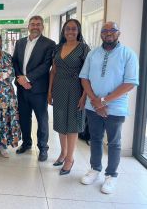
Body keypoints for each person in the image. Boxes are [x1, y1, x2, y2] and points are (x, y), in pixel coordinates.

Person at [79, 21, 139, 194]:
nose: (108, 33)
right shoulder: (93, 54)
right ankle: (95, 169)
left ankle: (111, 175)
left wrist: (103, 101)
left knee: (114, 143)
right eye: (105, 31)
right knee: (95, 139)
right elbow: (84, 78)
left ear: (118, 33)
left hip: (116, 107)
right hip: (93, 106)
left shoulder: (128, 54)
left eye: (112, 30)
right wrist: (95, 101)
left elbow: (130, 83)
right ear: (101, 34)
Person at [47, 19, 90, 175]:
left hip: (76, 89)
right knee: (60, 122)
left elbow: (88, 74)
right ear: (63, 31)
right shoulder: (58, 48)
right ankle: (63, 153)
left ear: (78, 31)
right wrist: (49, 91)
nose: (70, 31)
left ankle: (70, 159)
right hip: (59, 88)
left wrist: (84, 95)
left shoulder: (84, 48)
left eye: (74, 29)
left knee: (72, 124)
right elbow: (53, 71)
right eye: (67, 29)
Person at [12, 15, 55, 161]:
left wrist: (28, 78)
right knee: (24, 117)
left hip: (38, 89)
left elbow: (46, 65)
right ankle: (26, 143)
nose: (35, 26)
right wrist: (20, 78)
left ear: (42, 27)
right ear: (28, 26)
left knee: (42, 119)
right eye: (32, 24)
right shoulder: (20, 42)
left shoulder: (49, 44)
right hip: (22, 88)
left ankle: (43, 148)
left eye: (38, 24)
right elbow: (15, 62)